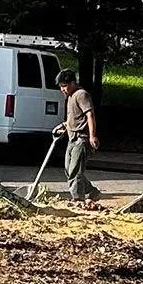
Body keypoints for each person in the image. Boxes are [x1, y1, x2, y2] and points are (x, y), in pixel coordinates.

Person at [58, 68, 98, 202]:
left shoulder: (81, 94)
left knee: (75, 171)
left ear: (73, 83)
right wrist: (65, 125)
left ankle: (78, 199)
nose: (63, 89)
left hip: (82, 138)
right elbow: (74, 117)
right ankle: (91, 191)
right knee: (68, 170)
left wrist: (92, 136)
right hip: (72, 138)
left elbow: (89, 115)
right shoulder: (70, 97)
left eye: (65, 86)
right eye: (61, 86)